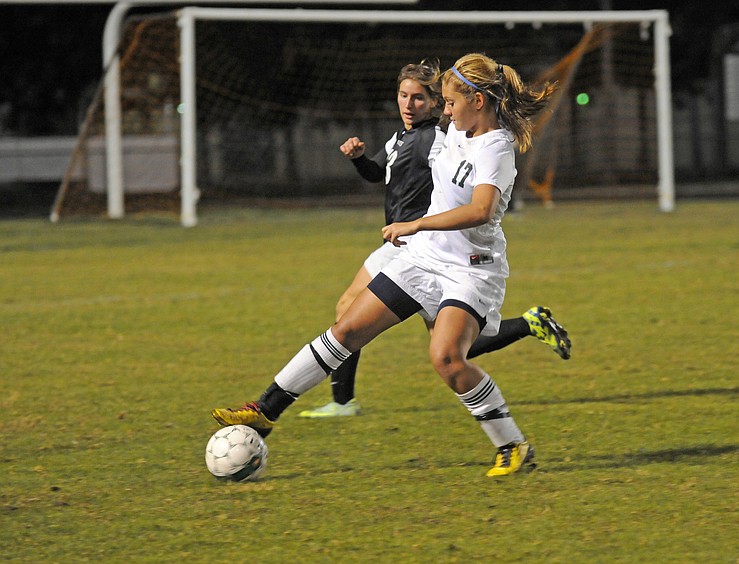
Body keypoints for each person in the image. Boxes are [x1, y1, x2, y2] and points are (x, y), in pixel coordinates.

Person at [213, 52, 559, 477]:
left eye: (451, 103)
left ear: (478, 102)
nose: (446, 111)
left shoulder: (497, 148)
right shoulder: (456, 128)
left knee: (448, 358)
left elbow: (480, 210)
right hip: (423, 258)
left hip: (470, 268)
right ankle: (264, 410)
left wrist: (415, 223)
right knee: (346, 331)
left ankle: (512, 446)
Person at [298, 59, 571, 419]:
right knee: (450, 346)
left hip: (420, 244)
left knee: (354, 312)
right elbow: (378, 172)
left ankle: (342, 401)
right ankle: (529, 323)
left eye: (418, 98)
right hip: (405, 241)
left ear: (434, 103)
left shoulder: (440, 138)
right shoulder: (401, 137)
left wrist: (420, 224)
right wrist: (359, 158)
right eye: (403, 95)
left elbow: (469, 188)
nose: (408, 104)